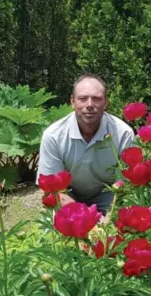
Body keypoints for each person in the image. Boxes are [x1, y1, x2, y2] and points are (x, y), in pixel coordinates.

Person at [37, 74, 135, 215]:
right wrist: (84, 219)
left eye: (97, 99)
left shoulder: (123, 134)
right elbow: (51, 188)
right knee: (55, 228)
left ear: (106, 103)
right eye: (82, 99)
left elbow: (126, 185)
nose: (89, 105)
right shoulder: (53, 136)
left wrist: (106, 221)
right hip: (68, 194)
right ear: (72, 101)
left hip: (109, 195)